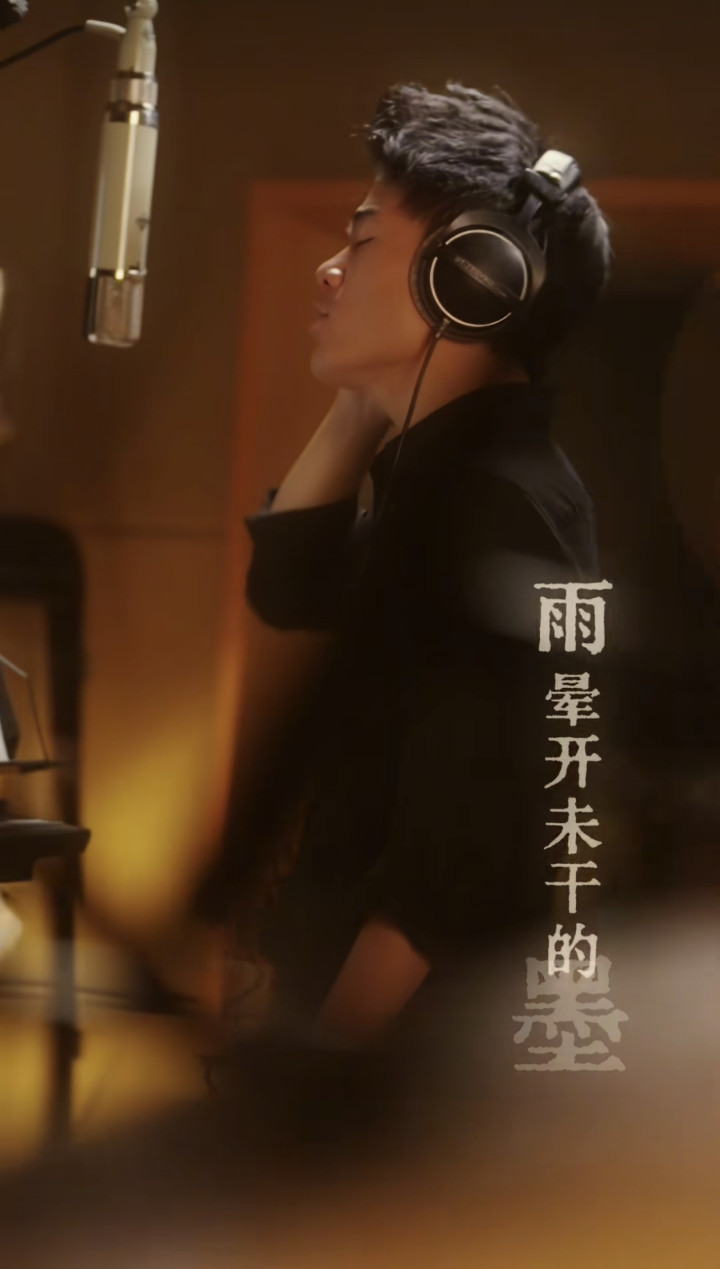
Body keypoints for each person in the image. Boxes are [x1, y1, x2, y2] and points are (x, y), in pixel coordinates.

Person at [195, 81, 611, 1047]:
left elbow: (453, 872)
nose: (330, 268)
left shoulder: (508, 508)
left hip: (391, 1062)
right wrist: (369, 390)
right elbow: (289, 586)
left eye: (364, 240)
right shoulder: (442, 477)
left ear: (470, 277)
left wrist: (317, 1079)